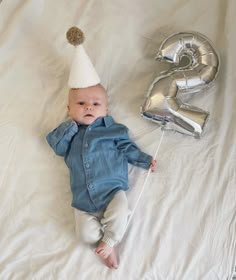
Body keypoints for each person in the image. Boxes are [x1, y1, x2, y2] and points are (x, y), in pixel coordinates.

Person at [46, 83, 157, 269]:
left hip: (112, 189)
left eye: (96, 104)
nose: (88, 107)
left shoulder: (114, 130)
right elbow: (57, 147)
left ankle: (110, 241)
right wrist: (71, 125)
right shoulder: (69, 134)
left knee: (120, 210)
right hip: (82, 199)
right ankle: (102, 241)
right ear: (69, 109)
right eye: (81, 103)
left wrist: (144, 160)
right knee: (85, 235)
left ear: (106, 109)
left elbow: (127, 148)